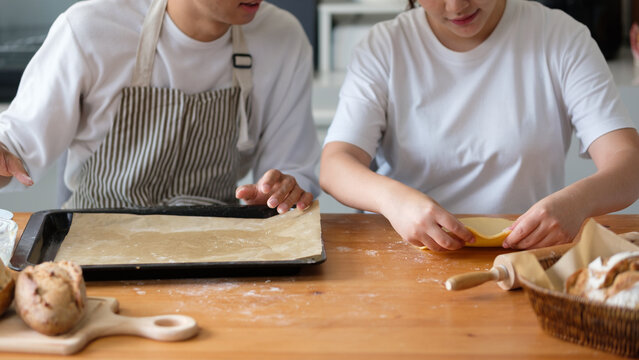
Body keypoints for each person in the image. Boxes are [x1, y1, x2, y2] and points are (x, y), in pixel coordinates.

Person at [320, 0, 639, 251]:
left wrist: (577, 203)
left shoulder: (560, 37)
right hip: (412, 254)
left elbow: (629, 164)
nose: (457, 6)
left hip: (525, 256)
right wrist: (393, 200)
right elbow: (335, 165)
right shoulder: (384, 46)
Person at [0, 0, 320, 214]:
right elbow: (15, 150)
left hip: (215, 251)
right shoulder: (90, 29)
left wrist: (279, 194)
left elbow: (292, 171)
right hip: (95, 249)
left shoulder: (284, 39)